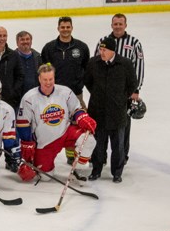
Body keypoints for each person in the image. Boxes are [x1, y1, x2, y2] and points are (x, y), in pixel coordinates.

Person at [16, 64, 97, 181]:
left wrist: (83, 118)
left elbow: (76, 109)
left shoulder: (65, 92)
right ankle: (40, 167)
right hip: (45, 142)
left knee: (88, 140)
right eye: (45, 80)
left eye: (51, 79)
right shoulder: (29, 98)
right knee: (45, 177)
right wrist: (27, 143)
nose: (48, 83)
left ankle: (79, 170)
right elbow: (23, 123)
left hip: (66, 132)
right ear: (39, 79)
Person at [84, 36, 138, 183]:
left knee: (118, 146)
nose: (101, 53)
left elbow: (133, 84)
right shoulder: (93, 63)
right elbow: (88, 82)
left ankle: (117, 172)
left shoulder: (125, 64)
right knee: (98, 145)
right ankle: (96, 170)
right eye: (100, 49)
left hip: (117, 112)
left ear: (113, 50)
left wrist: (121, 98)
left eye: (105, 50)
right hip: (97, 111)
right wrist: (98, 94)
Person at [96, 13, 144, 164]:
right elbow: (95, 65)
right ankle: (100, 157)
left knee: (123, 127)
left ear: (125, 25)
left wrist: (135, 90)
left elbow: (139, 68)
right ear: (111, 25)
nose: (117, 26)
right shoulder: (103, 41)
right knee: (102, 126)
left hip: (124, 94)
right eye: (115, 24)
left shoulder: (134, 43)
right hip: (104, 93)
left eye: (120, 24)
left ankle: (122, 158)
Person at [40, 16, 90, 109]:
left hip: (76, 93)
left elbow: (87, 69)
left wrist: (79, 84)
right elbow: (44, 71)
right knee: (56, 121)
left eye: (68, 27)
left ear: (72, 28)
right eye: (62, 27)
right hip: (55, 93)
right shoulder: (49, 48)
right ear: (58, 28)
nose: (65, 29)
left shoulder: (82, 47)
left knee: (79, 120)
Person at [14, 31, 41, 96]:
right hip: (17, 99)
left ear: (31, 41)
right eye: (22, 40)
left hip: (35, 97)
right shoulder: (11, 58)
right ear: (17, 43)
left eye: (27, 39)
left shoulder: (38, 58)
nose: (25, 42)